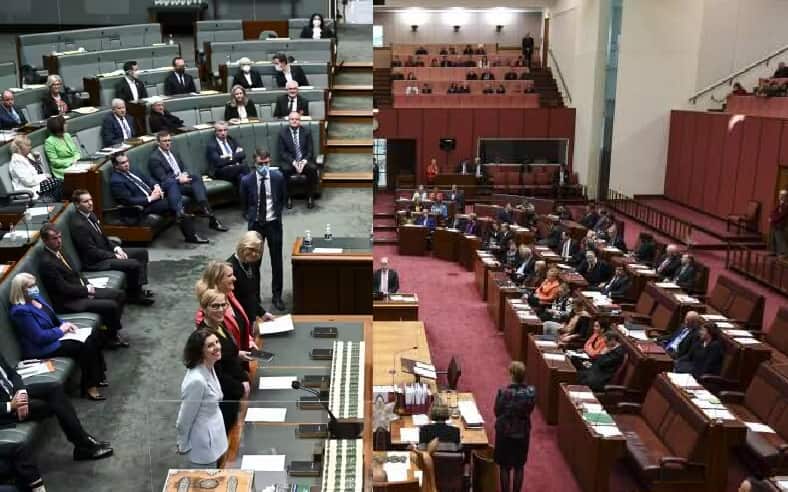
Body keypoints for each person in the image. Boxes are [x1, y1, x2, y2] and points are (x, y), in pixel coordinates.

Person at [9, 273, 107, 400]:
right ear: (21, 290)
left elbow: (52, 317)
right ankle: (90, 386)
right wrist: (61, 330)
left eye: (35, 284)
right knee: (84, 346)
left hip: (54, 336)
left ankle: (97, 378)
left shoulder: (36, 298)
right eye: (30, 286)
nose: (35, 288)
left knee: (92, 337)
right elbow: (39, 337)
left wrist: (65, 324)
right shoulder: (20, 311)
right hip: (42, 348)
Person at [0, 352, 112, 462]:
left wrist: (21, 392)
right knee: (55, 405)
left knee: (54, 388)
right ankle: (84, 444)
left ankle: (83, 444)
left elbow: (12, 373)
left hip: (13, 393)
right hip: (5, 411)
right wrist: (11, 406)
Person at [38, 223, 128, 349]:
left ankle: (108, 330)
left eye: (60, 237)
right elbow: (63, 288)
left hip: (80, 291)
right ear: (45, 240)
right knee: (111, 305)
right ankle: (110, 337)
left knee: (119, 295)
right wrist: (85, 291)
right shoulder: (47, 263)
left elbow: (76, 272)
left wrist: (87, 284)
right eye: (54, 239)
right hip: (68, 301)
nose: (59, 241)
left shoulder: (60, 251)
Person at [69, 189, 154, 305]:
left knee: (142, 252)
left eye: (91, 200)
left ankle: (137, 289)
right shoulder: (79, 225)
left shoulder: (90, 214)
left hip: (105, 252)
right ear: (77, 204)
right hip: (95, 262)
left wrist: (116, 248)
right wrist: (114, 256)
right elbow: (91, 252)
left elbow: (103, 237)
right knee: (133, 263)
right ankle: (134, 296)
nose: (90, 203)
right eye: (85, 201)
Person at [109, 153, 208, 244]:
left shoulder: (133, 170)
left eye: (127, 161)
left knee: (171, 182)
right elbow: (128, 201)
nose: (126, 164)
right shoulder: (116, 181)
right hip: (147, 205)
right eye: (122, 163)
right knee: (176, 202)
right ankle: (189, 232)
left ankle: (179, 213)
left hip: (155, 194)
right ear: (116, 166)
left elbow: (149, 179)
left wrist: (156, 186)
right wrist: (150, 198)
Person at [147, 130, 228, 232]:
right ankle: (208, 215)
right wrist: (178, 179)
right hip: (171, 186)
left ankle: (205, 208)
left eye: (169, 140)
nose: (168, 143)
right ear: (158, 143)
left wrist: (184, 174)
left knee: (195, 178)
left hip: (181, 181)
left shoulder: (174, 152)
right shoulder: (154, 158)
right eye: (164, 141)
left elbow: (182, 167)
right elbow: (163, 178)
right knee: (184, 185)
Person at [195, 289, 250, 434]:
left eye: (223, 305)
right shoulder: (204, 338)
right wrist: (241, 388)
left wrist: (244, 379)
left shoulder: (219, 325)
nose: (220, 310)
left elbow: (230, 356)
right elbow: (215, 374)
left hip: (233, 390)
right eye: (215, 306)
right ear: (204, 309)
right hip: (222, 399)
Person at [240, 150, 287, 311]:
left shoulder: (278, 177)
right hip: (256, 226)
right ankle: (255, 298)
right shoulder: (246, 180)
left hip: (273, 223)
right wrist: (251, 217)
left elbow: (282, 198)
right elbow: (244, 204)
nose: (264, 166)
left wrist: (275, 214)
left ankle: (277, 296)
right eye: (261, 164)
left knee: (277, 262)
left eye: (266, 163)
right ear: (255, 163)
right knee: (253, 263)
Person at [176, 329, 227, 467]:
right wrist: (183, 445)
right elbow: (184, 418)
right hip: (204, 445)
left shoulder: (210, 366)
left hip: (217, 435)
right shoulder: (196, 381)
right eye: (210, 345)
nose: (217, 347)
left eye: (217, 342)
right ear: (200, 352)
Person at [194, 261, 257, 352]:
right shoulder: (204, 315)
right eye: (229, 276)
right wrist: (237, 355)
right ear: (217, 280)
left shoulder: (229, 294)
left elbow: (241, 323)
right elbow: (212, 350)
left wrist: (249, 341)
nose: (234, 278)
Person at [494, 361, 536, 492]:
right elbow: (530, 410)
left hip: (505, 433)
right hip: (522, 432)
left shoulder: (504, 392)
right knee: (519, 466)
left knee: (504, 467)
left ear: (512, 374)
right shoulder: (531, 392)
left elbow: (497, 411)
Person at [228, 231, 275, 323]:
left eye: (258, 251)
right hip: (239, 320)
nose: (254, 254)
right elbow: (233, 302)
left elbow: (250, 296)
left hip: (250, 318)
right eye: (251, 249)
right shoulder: (230, 269)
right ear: (243, 246)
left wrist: (262, 313)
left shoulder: (249, 263)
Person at [278, 112, 318, 208]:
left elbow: (310, 151)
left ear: (300, 120)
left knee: (312, 169)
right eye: (292, 119)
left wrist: (304, 162)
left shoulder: (307, 131)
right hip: (290, 161)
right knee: (285, 170)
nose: (294, 121)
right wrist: (294, 162)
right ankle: (288, 197)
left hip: (304, 160)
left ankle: (310, 197)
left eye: (297, 119)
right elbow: (282, 152)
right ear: (289, 120)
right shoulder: (282, 133)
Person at [9, 134, 62, 201]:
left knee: (59, 183)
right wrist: (44, 176)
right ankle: (50, 202)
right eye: (28, 145)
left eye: (30, 145)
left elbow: (40, 170)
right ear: (20, 148)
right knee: (57, 182)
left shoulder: (28, 156)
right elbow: (28, 181)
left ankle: (53, 201)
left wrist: (37, 159)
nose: (30, 147)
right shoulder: (16, 161)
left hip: (37, 184)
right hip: (29, 189)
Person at [206, 120, 248, 188]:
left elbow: (243, 154)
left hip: (234, 169)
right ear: (215, 132)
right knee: (244, 167)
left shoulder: (231, 139)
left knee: (240, 177)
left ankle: (244, 198)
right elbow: (218, 162)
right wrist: (235, 156)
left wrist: (227, 157)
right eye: (220, 130)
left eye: (225, 130)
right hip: (220, 171)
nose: (223, 133)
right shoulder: (212, 145)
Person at [770, 189, 788, 257]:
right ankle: (774, 251)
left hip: (781, 224)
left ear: (786, 196)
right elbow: (773, 211)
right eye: (780, 195)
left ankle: (783, 253)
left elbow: (782, 214)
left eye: (783, 195)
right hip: (775, 223)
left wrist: (773, 219)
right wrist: (771, 217)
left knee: (780, 238)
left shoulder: (786, 205)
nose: (780, 196)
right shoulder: (778, 203)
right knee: (774, 237)